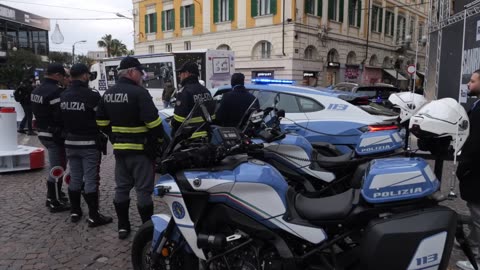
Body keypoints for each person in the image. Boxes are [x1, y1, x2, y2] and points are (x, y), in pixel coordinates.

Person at [96, 56, 167, 239]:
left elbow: (101, 122)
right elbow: (154, 123)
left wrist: (114, 136)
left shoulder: (109, 93)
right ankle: (147, 229)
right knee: (143, 190)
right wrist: (159, 141)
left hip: (120, 150)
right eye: (140, 72)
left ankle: (123, 226)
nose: (142, 75)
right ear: (131, 72)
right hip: (141, 151)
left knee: (121, 188)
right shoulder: (139, 93)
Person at [60, 63, 112, 227]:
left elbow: (59, 119)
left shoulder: (64, 95)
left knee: (75, 178)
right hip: (89, 144)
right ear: (84, 76)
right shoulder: (92, 95)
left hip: (70, 143)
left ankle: (75, 211)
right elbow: (102, 118)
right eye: (88, 75)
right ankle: (93, 216)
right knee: (91, 180)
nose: (89, 77)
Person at [31, 63, 70, 213]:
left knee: (56, 165)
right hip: (55, 135)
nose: (64, 79)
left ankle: (55, 194)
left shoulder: (37, 89)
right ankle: (53, 200)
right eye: (63, 76)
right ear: (57, 75)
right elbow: (59, 115)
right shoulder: (55, 92)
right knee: (58, 167)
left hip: (42, 133)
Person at [456, 69, 480, 270]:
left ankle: (478, 261)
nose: (468, 85)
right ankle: (473, 247)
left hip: (477, 172)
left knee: (478, 215)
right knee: (475, 214)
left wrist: (463, 168)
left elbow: (475, 143)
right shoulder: (477, 105)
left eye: (472, 81)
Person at [171, 61, 213, 137]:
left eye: (180, 73)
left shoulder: (184, 92)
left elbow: (178, 120)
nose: (179, 75)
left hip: (190, 138)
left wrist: (172, 125)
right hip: (206, 136)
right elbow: (212, 116)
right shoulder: (206, 91)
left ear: (187, 73)